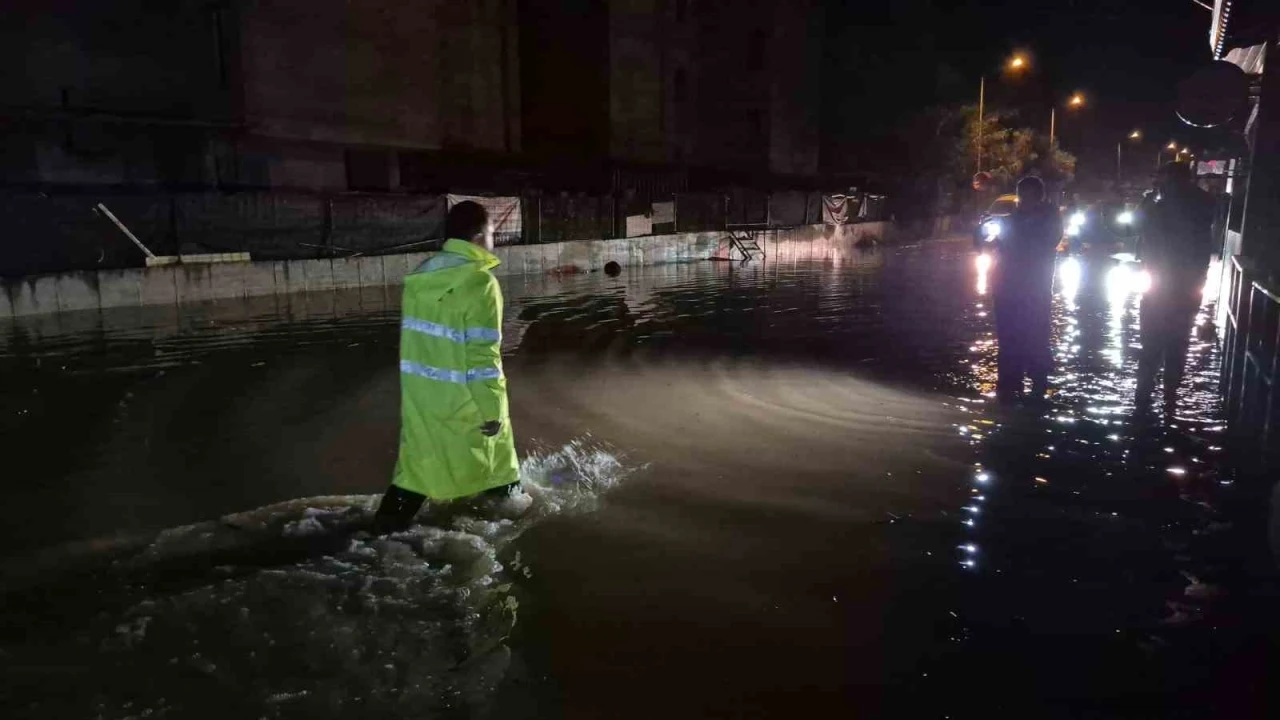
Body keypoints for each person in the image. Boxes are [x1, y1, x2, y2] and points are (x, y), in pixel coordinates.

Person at [374, 201, 519, 532]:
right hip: (465, 400)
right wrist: (493, 409)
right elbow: (483, 356)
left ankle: (379, 531)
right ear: (480, 236)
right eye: (494, 232)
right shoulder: (480, 283)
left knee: (417, 468)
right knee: (498, 467)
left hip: (422, 398)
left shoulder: (423, 275)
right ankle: (516, 522)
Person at [1134, 161, 1216, 417]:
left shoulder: (1162, 206)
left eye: (1163, 177)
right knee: (1177, 343)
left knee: (1152, 345)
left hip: (1163, 287)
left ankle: (1144, 400)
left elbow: (1142, 227)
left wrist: (1148, 202)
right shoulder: (1202, 204)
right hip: (1186, 287)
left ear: (1171, 179)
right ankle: (1169, 399)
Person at [991, 175, 1063, 403]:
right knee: (1009, 334)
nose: (1024, 199)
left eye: (1028, 195)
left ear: (1038, 196)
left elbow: (1046, 242)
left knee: (1034, 333)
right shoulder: (1015, 218)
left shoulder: (1049, 217)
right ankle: (1009, 382)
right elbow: (1000, 244)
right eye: (1022, 195)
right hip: (1009, 286)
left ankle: (1037, 380)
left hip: (1034, 287)